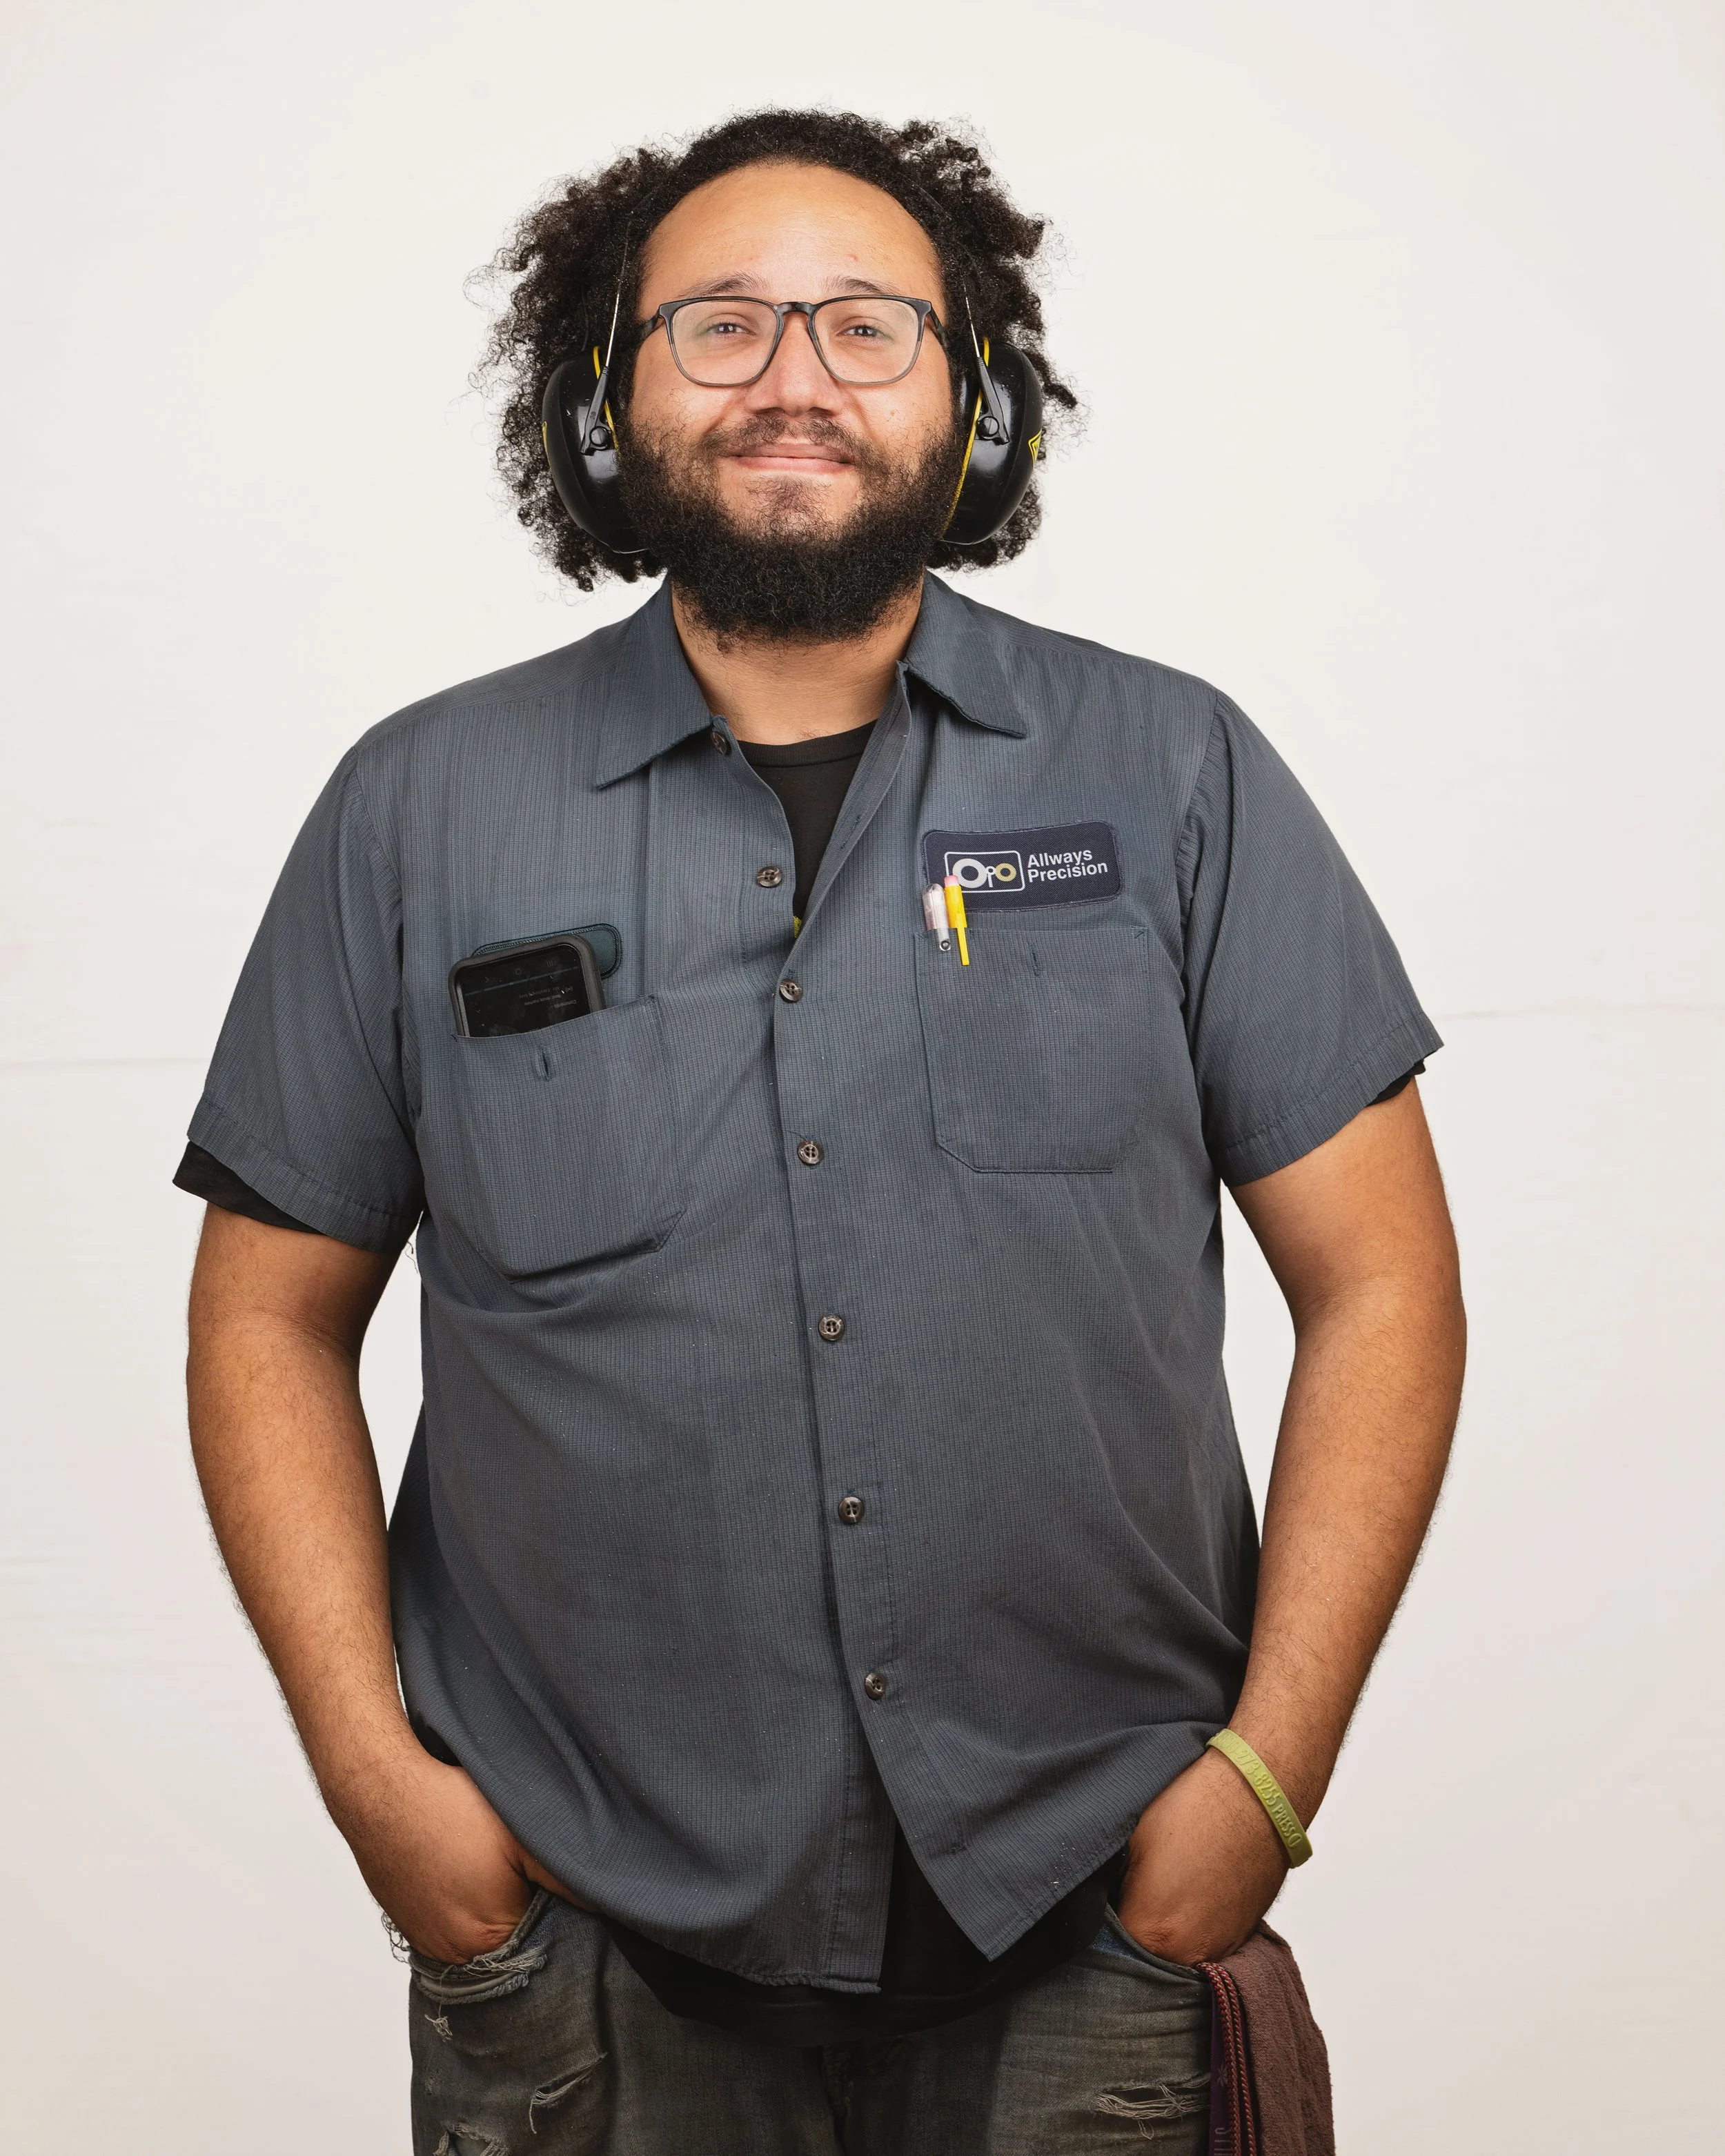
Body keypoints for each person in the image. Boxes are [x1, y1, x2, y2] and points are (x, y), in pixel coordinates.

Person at [179, 108, 1465, 2154]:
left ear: (980, 398)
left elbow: (1381, 1278)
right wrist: (368, 1769)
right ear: (606, 403)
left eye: (867, 325)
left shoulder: (1176, 768)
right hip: (586, 1940)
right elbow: (262, 1318)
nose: (794, 375)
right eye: (720, 324)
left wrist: (1266, 1777)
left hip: (1088, 1915)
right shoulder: (418, 805)